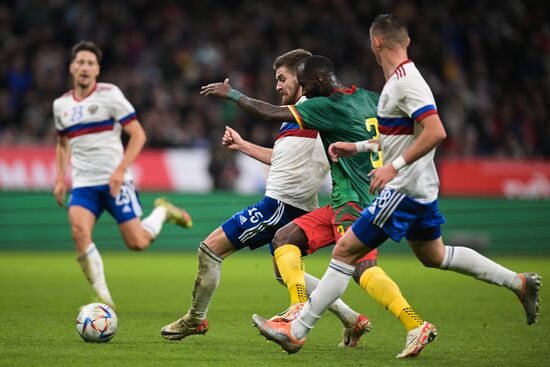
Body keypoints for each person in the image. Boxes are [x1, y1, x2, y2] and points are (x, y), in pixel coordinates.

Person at [251, 14, 542, 358]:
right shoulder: (394, 84)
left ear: (376, 42)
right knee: (435, 256)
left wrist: (394, 168)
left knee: (348, 255)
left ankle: (297, 331)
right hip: (421, 189)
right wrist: (356, 147)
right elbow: (395, 138)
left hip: (401, 189)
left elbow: (435, 132)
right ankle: (517, 282)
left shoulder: (404, 84)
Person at [201, 54, 430, 347]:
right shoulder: (370, 98)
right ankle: (299, 306)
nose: (305, 94)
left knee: (363, 269)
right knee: (284, 239)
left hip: (355, 203)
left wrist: (231, 94)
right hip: (347, 200)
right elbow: (404, 132)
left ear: (318, 81)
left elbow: (270, 113)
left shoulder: (325, 106)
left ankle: (415, 323)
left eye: (306, 85)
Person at [161, 49, 371, 347]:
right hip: (293, 205)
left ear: (303, 79)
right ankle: (352, 319)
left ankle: (195, 319)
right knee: (284, 271)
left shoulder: (318, 108)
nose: (277, 86)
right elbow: (282, 159)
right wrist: (244, 145)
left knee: (209, 249)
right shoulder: (302, 116)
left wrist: (232, 94)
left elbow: (266, 111)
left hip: (281, 205)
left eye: (282, 78)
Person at [53, 41, 192, 309]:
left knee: (137, 242)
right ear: (72, 67)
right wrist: (60, 178)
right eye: (80, 62)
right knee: (79, 232)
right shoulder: (61, 106)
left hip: (116, 182)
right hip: (83, 184)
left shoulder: (110, 95)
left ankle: (162, 211)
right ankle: (104, 299)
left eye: (90, 63)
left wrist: (119, 170)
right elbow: (62, 143)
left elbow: (138, 134)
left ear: (97, 69)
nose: (84, 67)